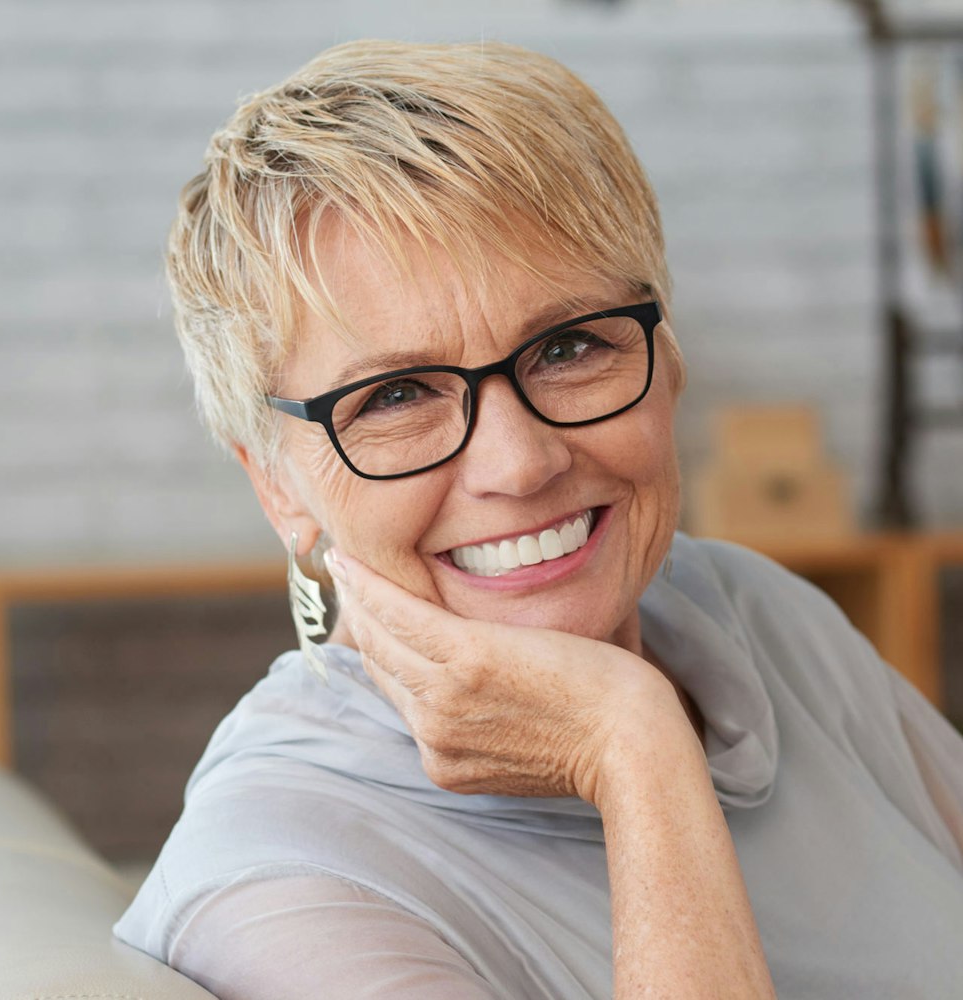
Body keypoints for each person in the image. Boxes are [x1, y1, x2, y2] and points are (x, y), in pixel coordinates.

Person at [114, 39, 963, 999]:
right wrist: (631, 747)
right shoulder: (281, 884)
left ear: (668, 360)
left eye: (567, 347)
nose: (520, 463)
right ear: (278, 486)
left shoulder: (759, 616)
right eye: (395, 396)